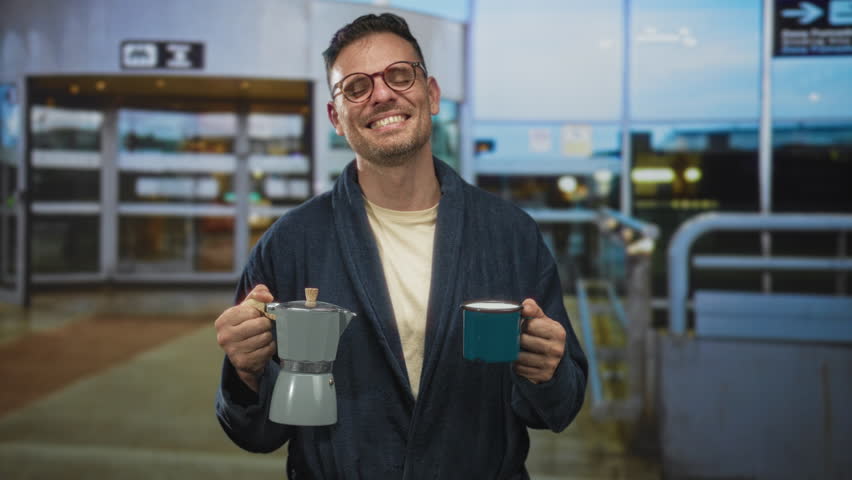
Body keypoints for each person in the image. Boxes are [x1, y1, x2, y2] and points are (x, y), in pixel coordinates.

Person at [214, 13, 587, 479]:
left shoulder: (508, 235)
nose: (382, 94)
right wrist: (243, 375)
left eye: (399, 74)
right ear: (336, 116)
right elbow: (256, 434)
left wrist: (549, 371)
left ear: (430, 95)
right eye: (355, 87)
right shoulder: (291, 244)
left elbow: (561, 407)